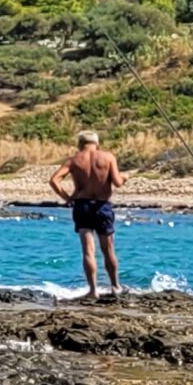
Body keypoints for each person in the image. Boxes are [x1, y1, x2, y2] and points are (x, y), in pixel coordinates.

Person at [49, 128, 127, 300]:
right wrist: (125, 177)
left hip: (82, 206)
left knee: (88, 251)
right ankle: (115, 286)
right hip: (102, 206)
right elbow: (117, 183)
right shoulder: (107, 157)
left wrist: (67, 198)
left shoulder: (74, 160)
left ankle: (93, 290)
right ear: (96, 143)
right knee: (108, 249)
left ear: (80, 143)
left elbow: (54, 180)